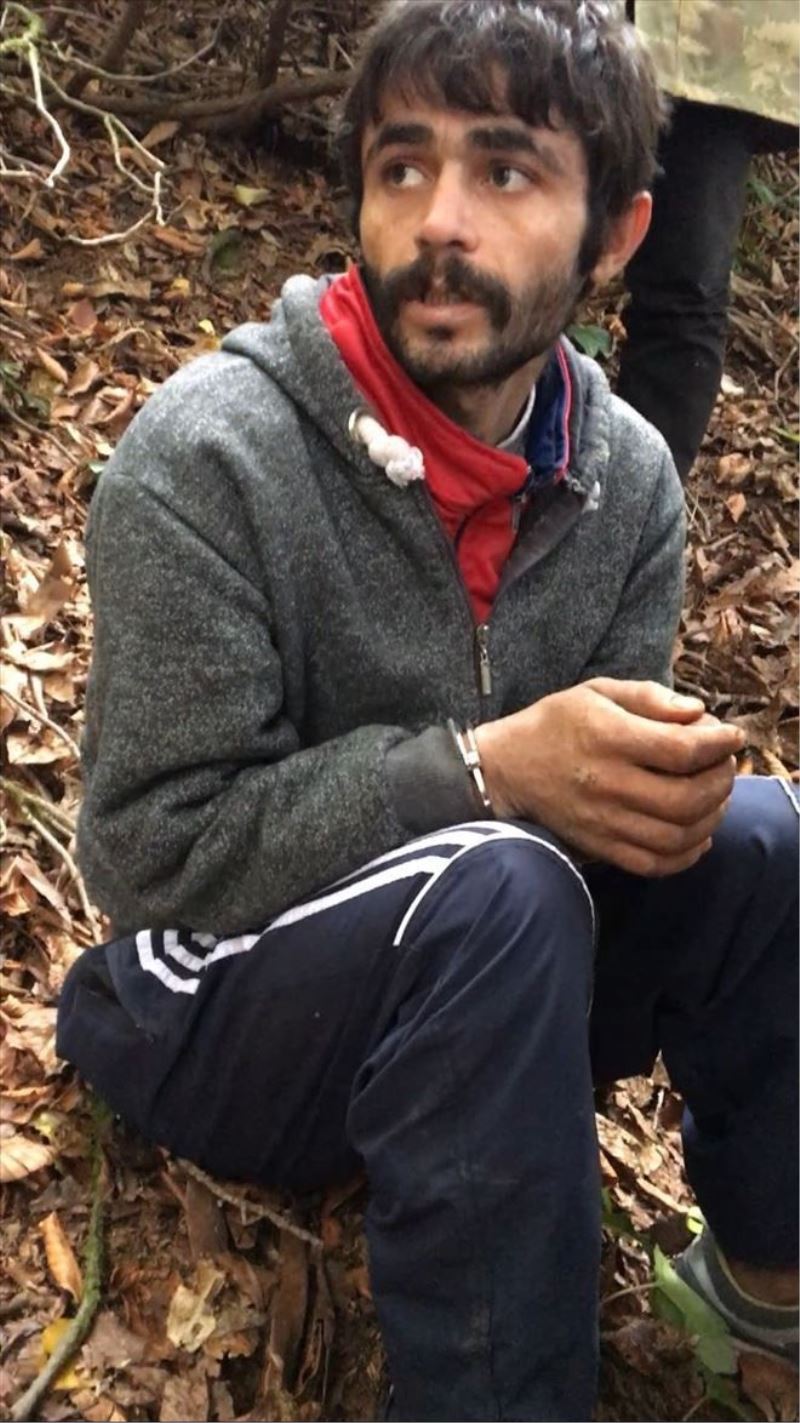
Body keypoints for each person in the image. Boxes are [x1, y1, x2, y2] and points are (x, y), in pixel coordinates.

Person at [56, 1, 798, 1418]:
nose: (438, 221)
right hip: (215, 1009)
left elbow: (594, 852)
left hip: (486, 1001)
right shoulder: (210, 455)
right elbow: (150, 861)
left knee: (770, 843)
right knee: (501, 881)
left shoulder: (628, 480)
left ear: (617, 234)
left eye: (505, 170)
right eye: (402, 165)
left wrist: (653, 794)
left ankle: (768, 1281)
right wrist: (483, 770)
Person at [618, 0, 799, 480]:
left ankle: (633, 507)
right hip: (540, 26)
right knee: (504, 244)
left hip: (713, 41)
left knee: (684, 290)